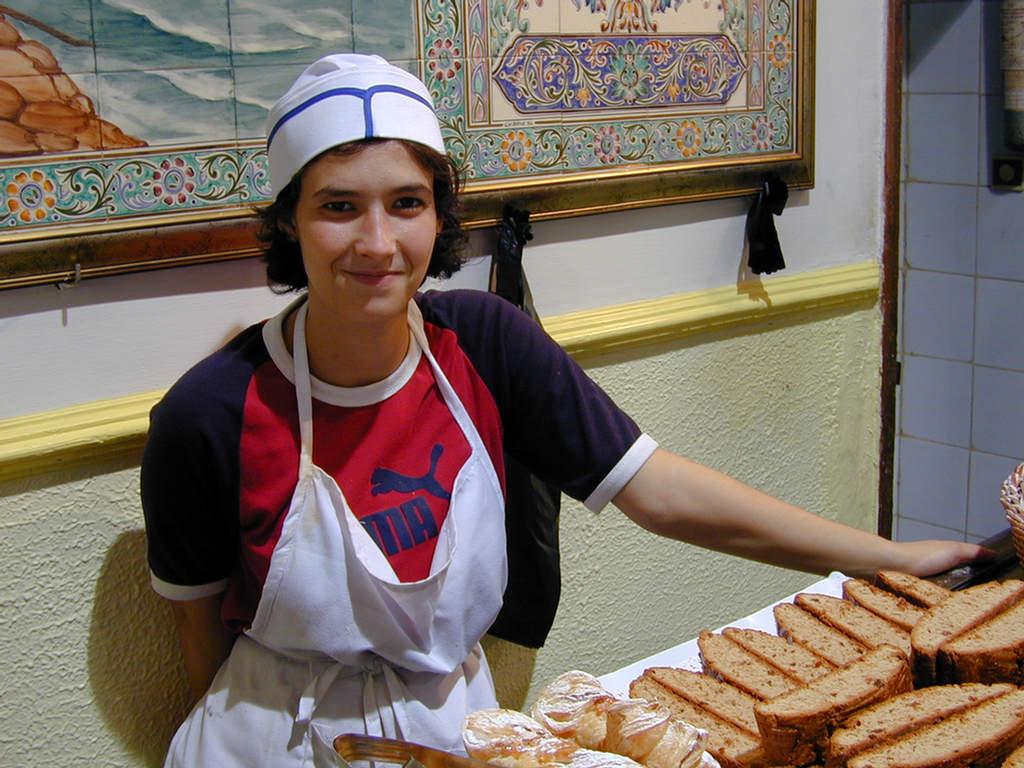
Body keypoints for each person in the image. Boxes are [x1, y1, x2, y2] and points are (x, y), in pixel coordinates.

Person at [140, 53, 986, 768]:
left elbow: (660, 492)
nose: (377, 242)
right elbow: (197, 644)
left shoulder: (485, 344)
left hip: (455, 736)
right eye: (337, 206)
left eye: (406, 202)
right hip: (274, 744)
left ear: (440, 211)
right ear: (289, 221)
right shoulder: (209, 414)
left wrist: (884, 556)